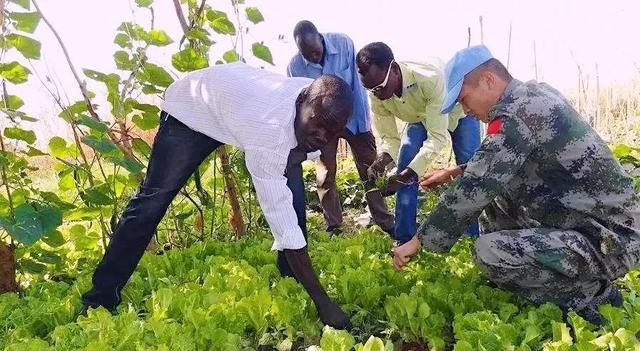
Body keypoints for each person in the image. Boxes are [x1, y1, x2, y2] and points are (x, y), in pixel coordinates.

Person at [81, 62, 352, 329]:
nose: (322, 136)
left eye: (331, 131)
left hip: (234, 103)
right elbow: (280, 218)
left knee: (293, 194)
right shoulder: (269, 135)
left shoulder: (317, 103)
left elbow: (313, 141)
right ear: (302, 102)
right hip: (192, 110)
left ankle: (290, 276)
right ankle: (100, 297)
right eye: (317, 127)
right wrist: (323, 301)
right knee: (153, 200)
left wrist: (300, 152)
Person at [393, 45, 640, 325]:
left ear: (488, 80)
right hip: (601, 223)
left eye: (464, 99)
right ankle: (534, 273)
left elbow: (478, 184)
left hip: (611, 240)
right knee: (498, 197)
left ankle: (593, 296)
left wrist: (419, 240)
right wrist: (454, 172)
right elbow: (497, 165)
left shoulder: (517, 116)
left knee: (489, 251)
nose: (467, 111)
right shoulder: (531, 96)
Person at [356, 42, 481, 244]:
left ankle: (472, 238)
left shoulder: (429, 79)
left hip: (459, 113)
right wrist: (383, 159)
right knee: (405, 165)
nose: (376, 94)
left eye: (379, 87)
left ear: (394, 69)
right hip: (420, 117)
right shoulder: (377, 95)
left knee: (469, 167)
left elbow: (437, 136)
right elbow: (390, 138)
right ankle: (404, 240)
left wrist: (412, 172)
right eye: (370, 89)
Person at [287, 20, 394, 235]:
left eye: (316, 52)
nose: (313, 58)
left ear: (320, 38)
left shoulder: (344, 44)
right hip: (323, 128)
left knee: (370, 170)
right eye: (308, 56)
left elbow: (357, 83)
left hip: (354, 119)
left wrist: (363, 127)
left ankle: (384, 220)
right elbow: (301, 103)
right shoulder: (294, 66)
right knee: (325, 174)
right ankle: (333, 225)